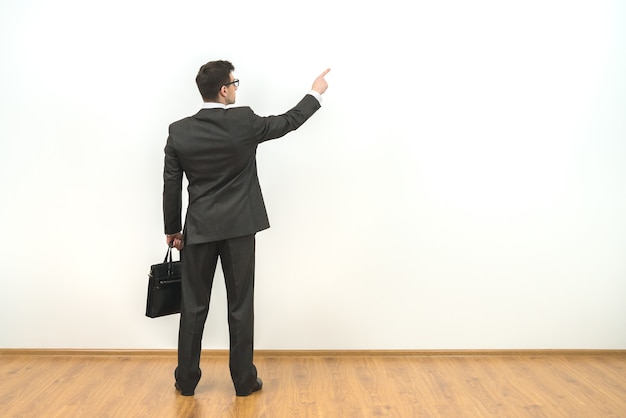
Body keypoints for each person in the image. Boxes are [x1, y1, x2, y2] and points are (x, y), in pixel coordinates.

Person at [162, 60, 330, 397]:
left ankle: (186, 381)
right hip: (240, 228)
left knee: (194, 306)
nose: (237, 88)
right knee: (241, 306)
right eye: (235, 83)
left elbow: (171, 183)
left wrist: (173, 229)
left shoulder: (179, 130)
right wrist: (315, 92)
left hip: (199, 230)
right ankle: (243, 381)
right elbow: (288, 122)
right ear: (224, 90)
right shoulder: (244, 121)